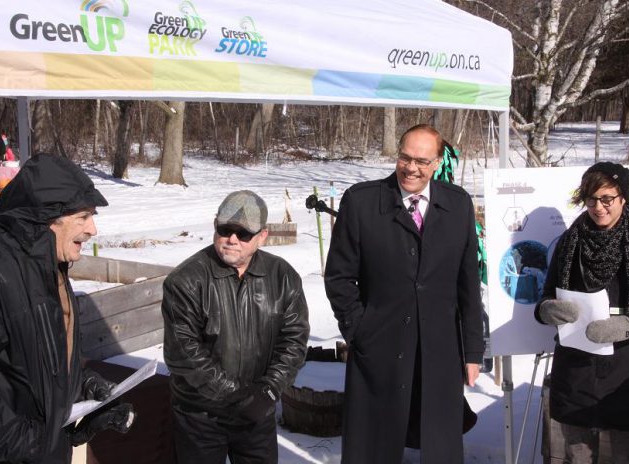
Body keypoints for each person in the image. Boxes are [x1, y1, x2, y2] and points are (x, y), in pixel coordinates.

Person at [324, 124, 484, 463]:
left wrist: (472, 351)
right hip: (379, 344)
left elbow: (468, 284)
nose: (412, 168)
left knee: (440, 443)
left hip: (440, 348)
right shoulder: (362, 201)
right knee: (373, 443)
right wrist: (359, 329)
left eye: (422, 161)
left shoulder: (458, 205)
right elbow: (339, 277)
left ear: (438, 161)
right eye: (405, 158)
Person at [535, 161, 629, 463]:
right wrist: (548, 310)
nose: (598, 207)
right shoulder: (572, 239)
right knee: (577, 455)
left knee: (628, 455)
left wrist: (627, 326)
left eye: (607, 199)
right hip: (576, 366)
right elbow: (547, 295)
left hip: (628, 369)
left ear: (623, 198)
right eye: (592, 199)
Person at [0, 153, 135, 463]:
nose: (93, 230)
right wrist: (35, 444)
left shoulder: (51, 267)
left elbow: (37, 363)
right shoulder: (2, 271)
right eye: (83, 217)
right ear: (48, 218)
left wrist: (83, 386)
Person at [162, 190, 310, 464]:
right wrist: (235, 396)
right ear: (215, 225)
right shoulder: (185, 280)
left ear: (262, 236)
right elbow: (183, 352)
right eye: (225, 229)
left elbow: (294, 340)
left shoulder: (282, 277)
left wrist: (268, 390)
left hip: (258, 413)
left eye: (243, 234)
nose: (232, 239)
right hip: (200, 416)